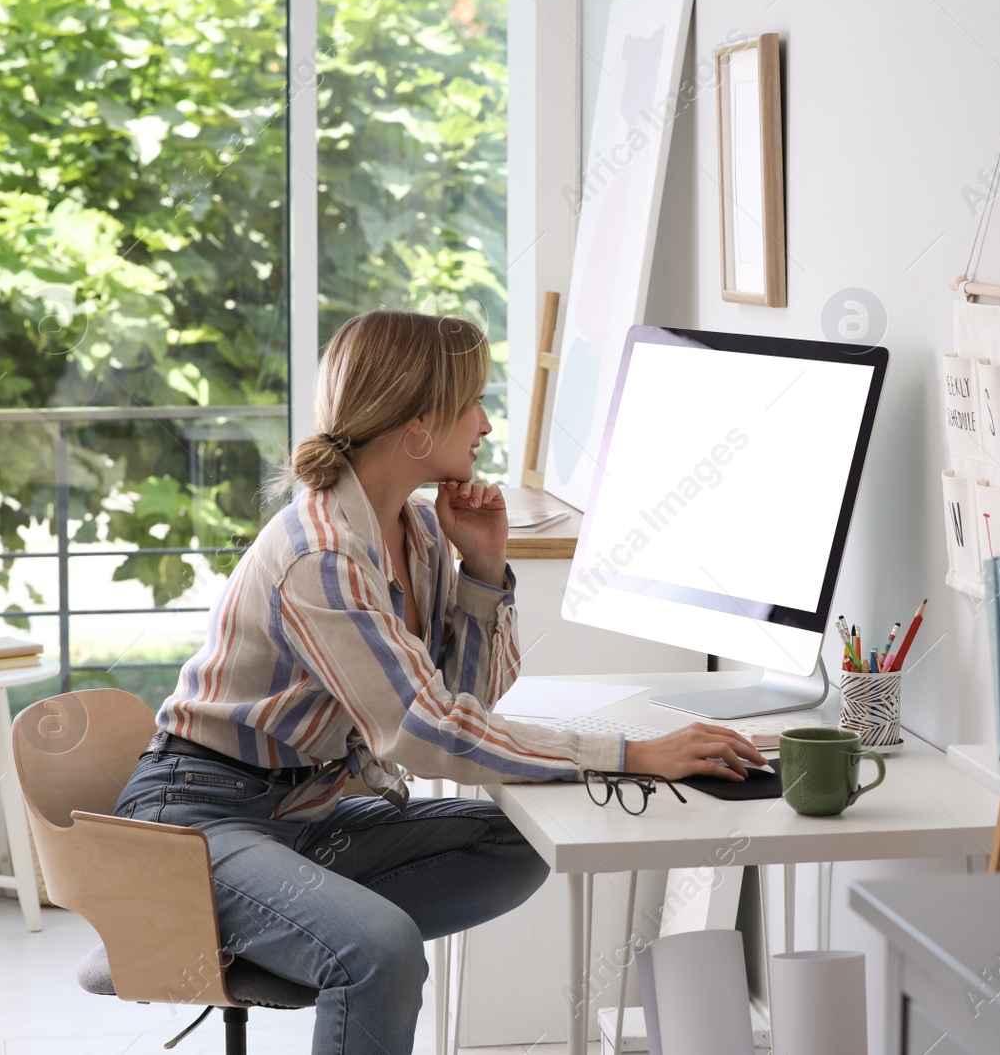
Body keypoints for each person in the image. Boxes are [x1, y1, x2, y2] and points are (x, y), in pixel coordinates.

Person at [113, 309, 765, 1055]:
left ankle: (313, 931)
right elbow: (426, 733)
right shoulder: (321, 555)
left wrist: (484, 570)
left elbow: (464, 705)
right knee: (380, 951)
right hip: (198, 818)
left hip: (305, 816)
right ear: (418, 426)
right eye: (474, 402)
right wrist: (629, 753)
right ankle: (345, 946)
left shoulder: (419, 534)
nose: (486, 423)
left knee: (518, 843)